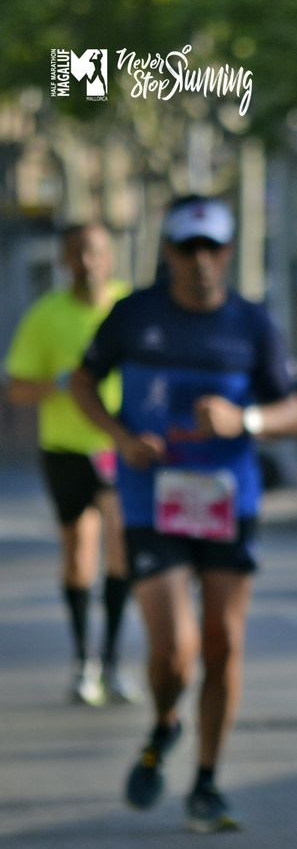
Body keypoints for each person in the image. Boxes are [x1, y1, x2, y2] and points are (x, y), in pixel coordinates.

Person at [70, 194, 297, 833]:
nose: (201, 260)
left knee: (223, 643)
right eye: (187, 247)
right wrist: (120, 439)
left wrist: (243, 419)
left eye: (213, 247)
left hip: (229, 501)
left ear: (227, 252)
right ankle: (164, 722)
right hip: (151, 498)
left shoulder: (251, 324)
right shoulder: (134, 315)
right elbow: (81, 382)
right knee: (175, 651)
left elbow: (294, 412)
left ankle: (206, 781)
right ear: (168, 252)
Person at [4, 222, 135, 706]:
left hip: (118, 447)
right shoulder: (46, 316)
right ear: (64, 261)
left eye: (95, 252)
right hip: (65, 448)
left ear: (110, 256)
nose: (87, 262)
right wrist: (57, 384)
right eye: (77, 253)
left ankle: (114, 661)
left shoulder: (130, 309)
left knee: (120, 546)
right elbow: (16, 388)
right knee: (79, 553)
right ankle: (85, 662)